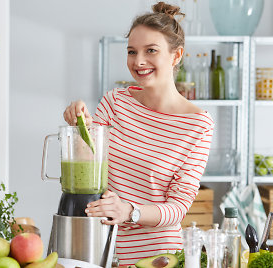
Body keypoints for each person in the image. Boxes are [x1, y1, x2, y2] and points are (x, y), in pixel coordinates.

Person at [63, 2, 214, 267]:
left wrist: (129, 211)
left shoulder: (197, 125)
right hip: (98, 246)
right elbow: (87, 168)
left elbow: (178, 207)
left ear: (176, 55)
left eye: (151, 51)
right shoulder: (115, 102)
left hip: (157, 256)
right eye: (132, 52)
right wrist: (80, 126)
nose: (138, 61)